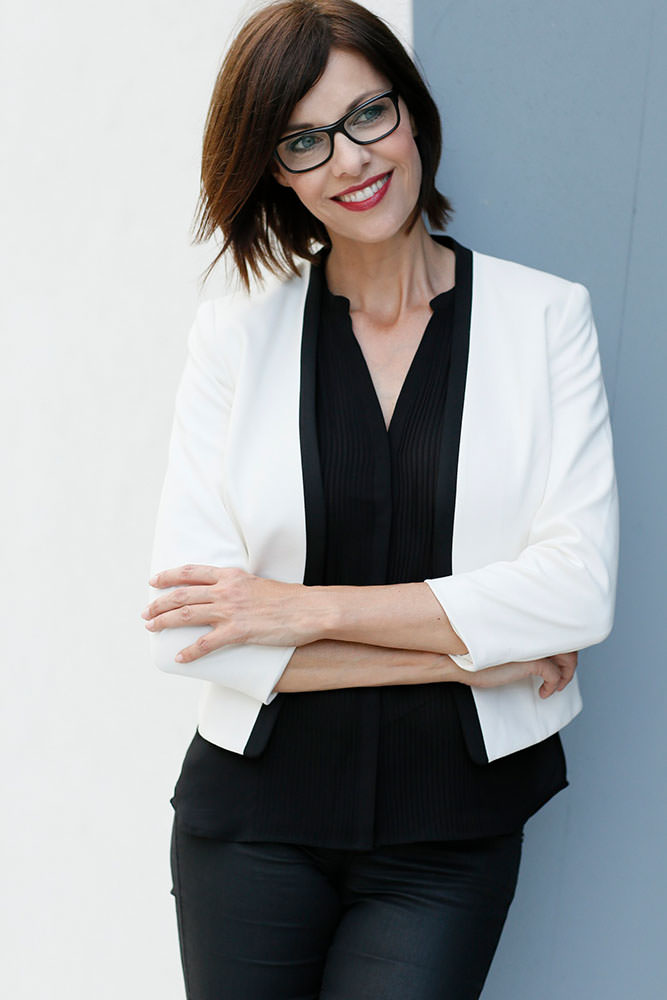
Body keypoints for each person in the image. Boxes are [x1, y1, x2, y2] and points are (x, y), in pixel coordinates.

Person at [142, 1, 619, 997]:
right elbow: (195, 635)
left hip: (451, 829)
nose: (351, 160)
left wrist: (303, 610)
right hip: (250, 827)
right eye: (304, 140)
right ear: (277, 171)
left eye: (367, 114)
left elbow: (576, 593)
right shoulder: (234, 337)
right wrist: (465, 654)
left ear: (410, 110)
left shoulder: (544, 319)